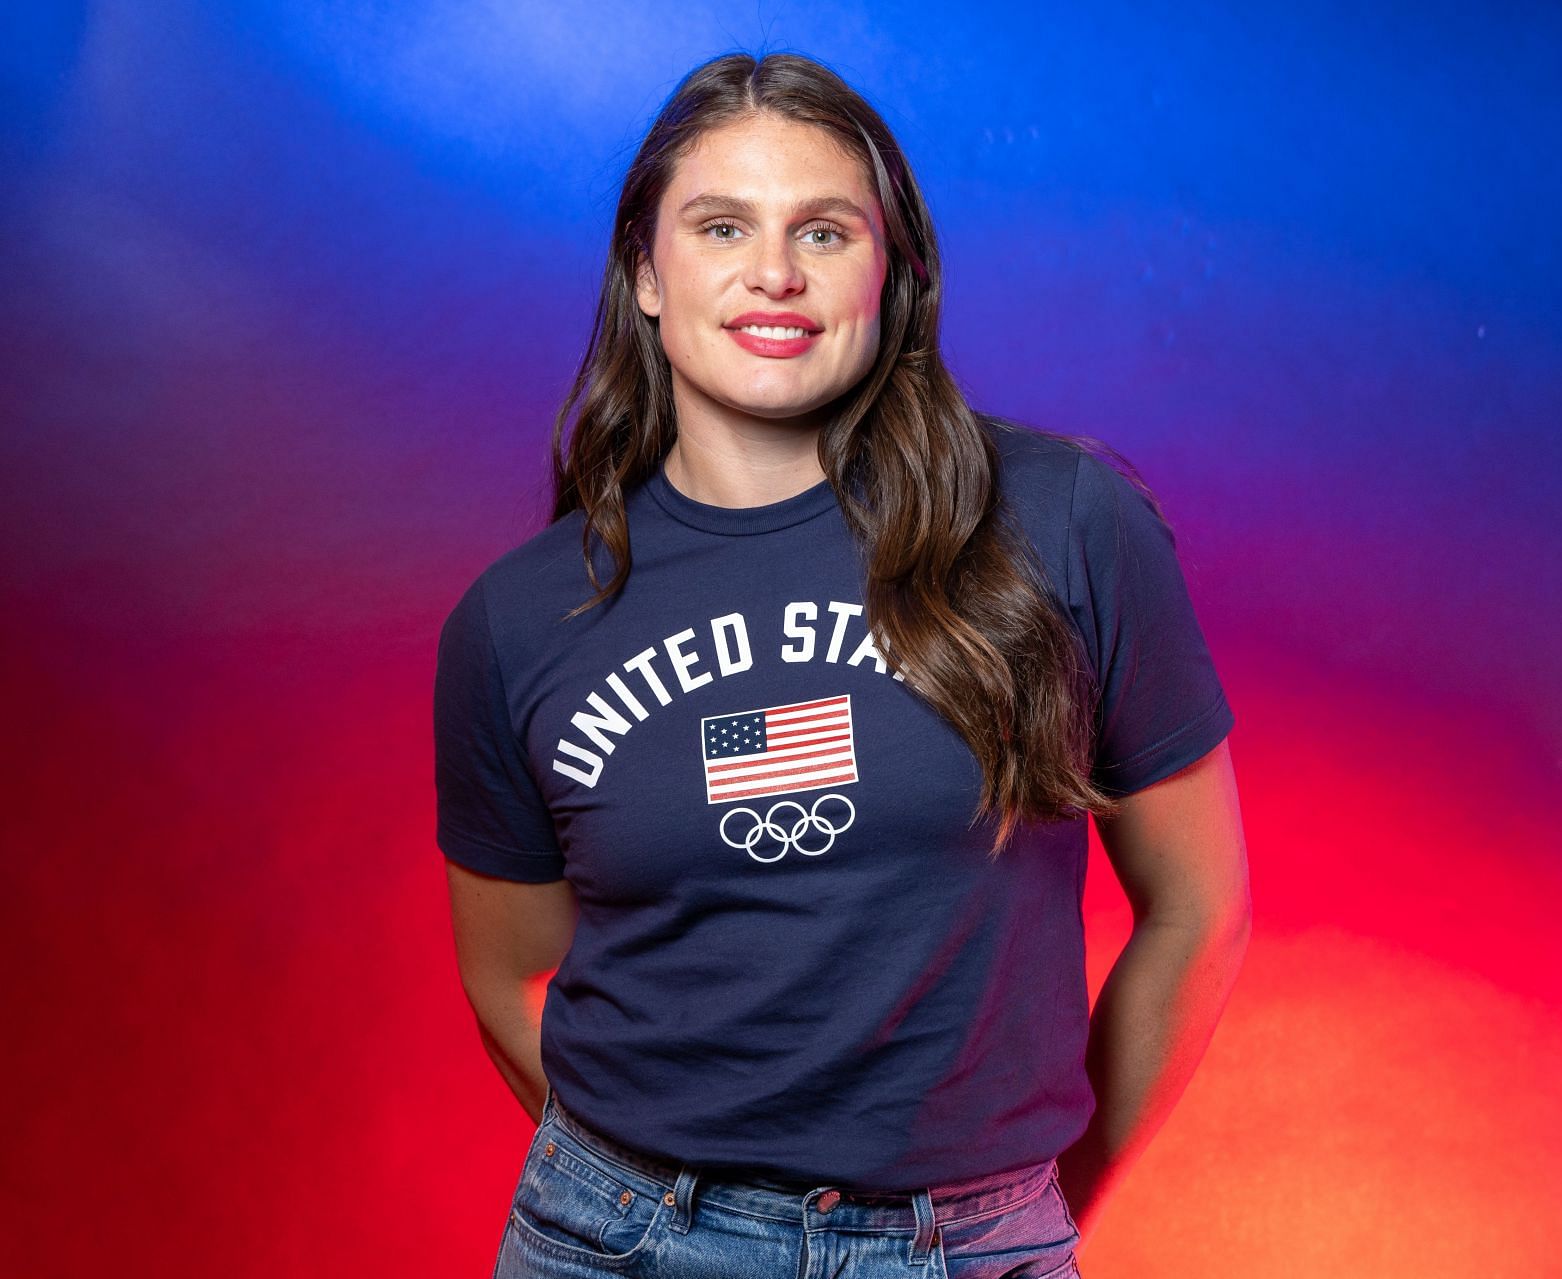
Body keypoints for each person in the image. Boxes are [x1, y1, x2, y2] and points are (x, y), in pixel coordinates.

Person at [433, 50, 1251, 1279]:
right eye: (722, 226)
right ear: (647, 277)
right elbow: (512, 978)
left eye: (824, 230)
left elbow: (1198, 908)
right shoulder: (517, 618)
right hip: (620, 1245)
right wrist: (664, 1195)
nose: (775, 271)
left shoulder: (1062, 522)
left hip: (974, 1242)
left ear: (890, 273)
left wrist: (1022, 1209)